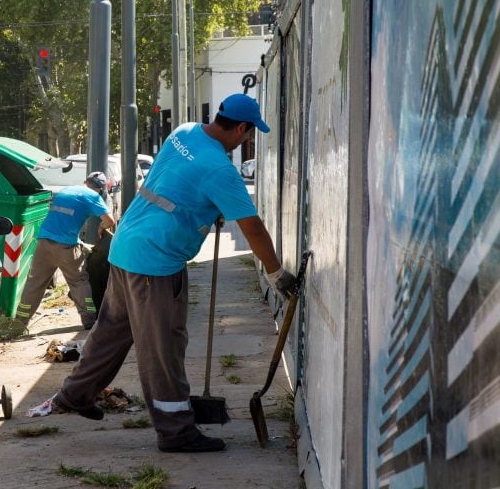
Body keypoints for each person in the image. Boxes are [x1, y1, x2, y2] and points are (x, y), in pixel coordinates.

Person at [49, 93, 298, 453]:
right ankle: (176, 431)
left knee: (110, 334)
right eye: (248, 135)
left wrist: (204, 207)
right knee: (163, 349)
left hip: (126, 248)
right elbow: (253, 228)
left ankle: (74, 395)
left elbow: (175, 185)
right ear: (241, 128)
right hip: (156, 264)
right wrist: (276, 274)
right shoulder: (220, 170)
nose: (246, 141)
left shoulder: (182, 132)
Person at [16, 171, 116, 330]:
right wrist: (101, 227)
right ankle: (90, 320)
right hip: (66, 247)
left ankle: (19, 323)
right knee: (79, 282)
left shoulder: (67, 190)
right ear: (102, 189)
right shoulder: (94, 196)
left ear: (85, 181)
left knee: (34, 283)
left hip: (44, 242)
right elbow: (109, 220)